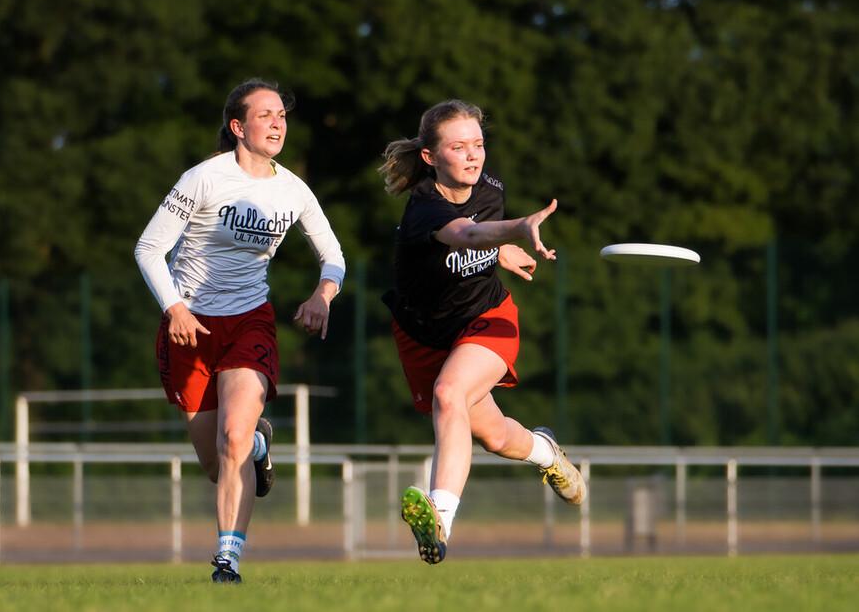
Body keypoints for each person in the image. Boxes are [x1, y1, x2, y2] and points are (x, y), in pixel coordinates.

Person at [135, 79, 345, 583]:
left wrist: (322, 295)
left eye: (283, 116)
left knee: (232, 438)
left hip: (251, 322)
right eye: (266, 115)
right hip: (190, 329)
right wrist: (175, 308)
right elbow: (148, 248)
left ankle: (226, 560)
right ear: (237, 127)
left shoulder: (293, 189)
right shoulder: (203, 179)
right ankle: (258, 447)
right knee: (218, 462)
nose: (278, 124)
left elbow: (333, 256)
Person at [379, 99, 586, 565]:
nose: (473, 155)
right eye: (459, 147)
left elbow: (479, 234)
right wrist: (516, 231)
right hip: (424, 335)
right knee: (493, 436)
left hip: (486, 318)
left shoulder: (489, 188)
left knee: (449, 394)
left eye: (478, 144)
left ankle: (440, 518)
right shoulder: (423, 211)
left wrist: (503, 249)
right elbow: (467, 236)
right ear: (431, 158)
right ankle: (545, 452)